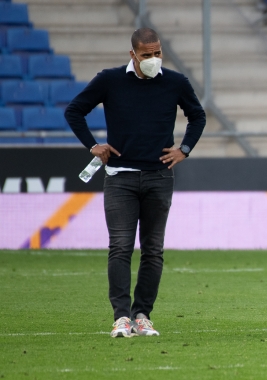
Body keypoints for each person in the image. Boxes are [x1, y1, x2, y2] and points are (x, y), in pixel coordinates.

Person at [65, 28, 206, 338]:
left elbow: (198, 116)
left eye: (157, 54)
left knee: (153, 250)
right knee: (120, 247)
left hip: (159, 176)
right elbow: (74, 110)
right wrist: (93, 145)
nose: (153, 60)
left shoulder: (175, 82)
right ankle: (121, 317)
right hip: (120, 178)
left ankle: (142, 315)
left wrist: (184, 149)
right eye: (146, 55)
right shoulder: (110, 80)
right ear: (133, 55)